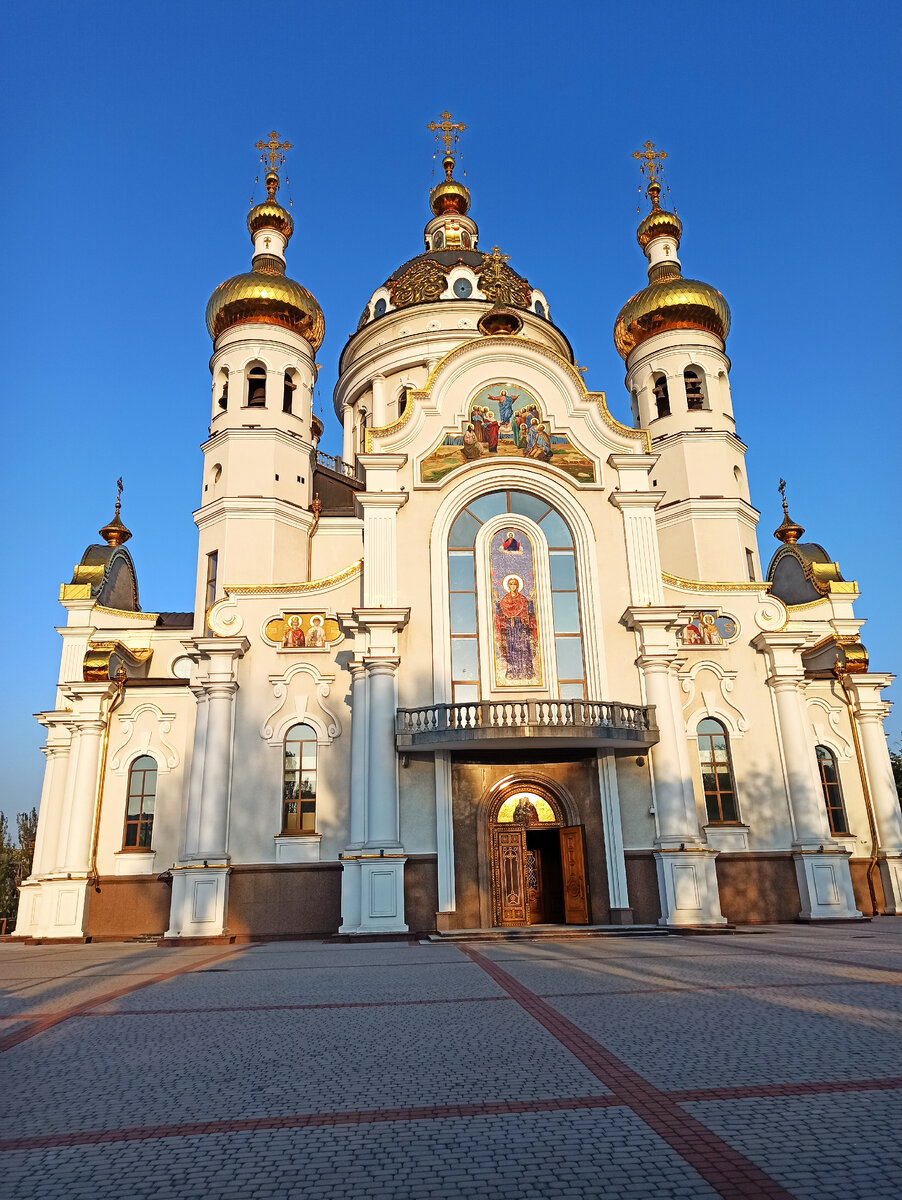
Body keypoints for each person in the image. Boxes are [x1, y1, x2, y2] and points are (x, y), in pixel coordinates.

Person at [495, 576, 537, 681]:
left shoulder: (522, 599)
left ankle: (526, 672)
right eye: (511, 584)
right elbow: (500, 613)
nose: (513, 586)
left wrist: (530, 598)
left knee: (523, 648)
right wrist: (497, 599)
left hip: (521, 626)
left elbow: (530, 612)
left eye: (514, 584)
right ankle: (513, 673)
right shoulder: (505, 599)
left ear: (517, 586)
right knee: (512, 649)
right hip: (511, 627)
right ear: (508, 586)